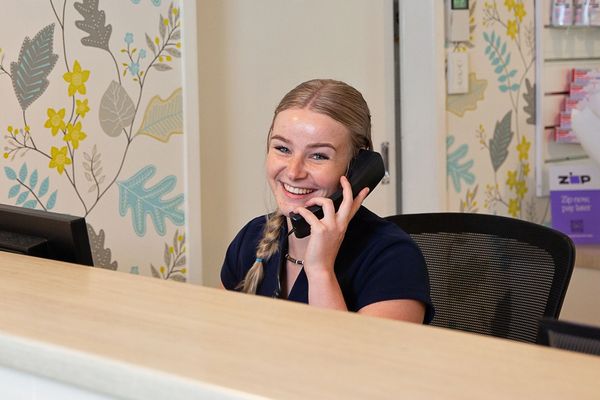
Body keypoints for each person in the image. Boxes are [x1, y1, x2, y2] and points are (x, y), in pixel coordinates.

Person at [221, 79, 433, 323]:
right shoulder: (252, 238)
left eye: (318, 155)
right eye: (283, 149)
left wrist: (320, 271)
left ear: (357, 167)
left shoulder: (392, 258)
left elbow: (360, 360)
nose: (293, 172)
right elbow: (213, 334)